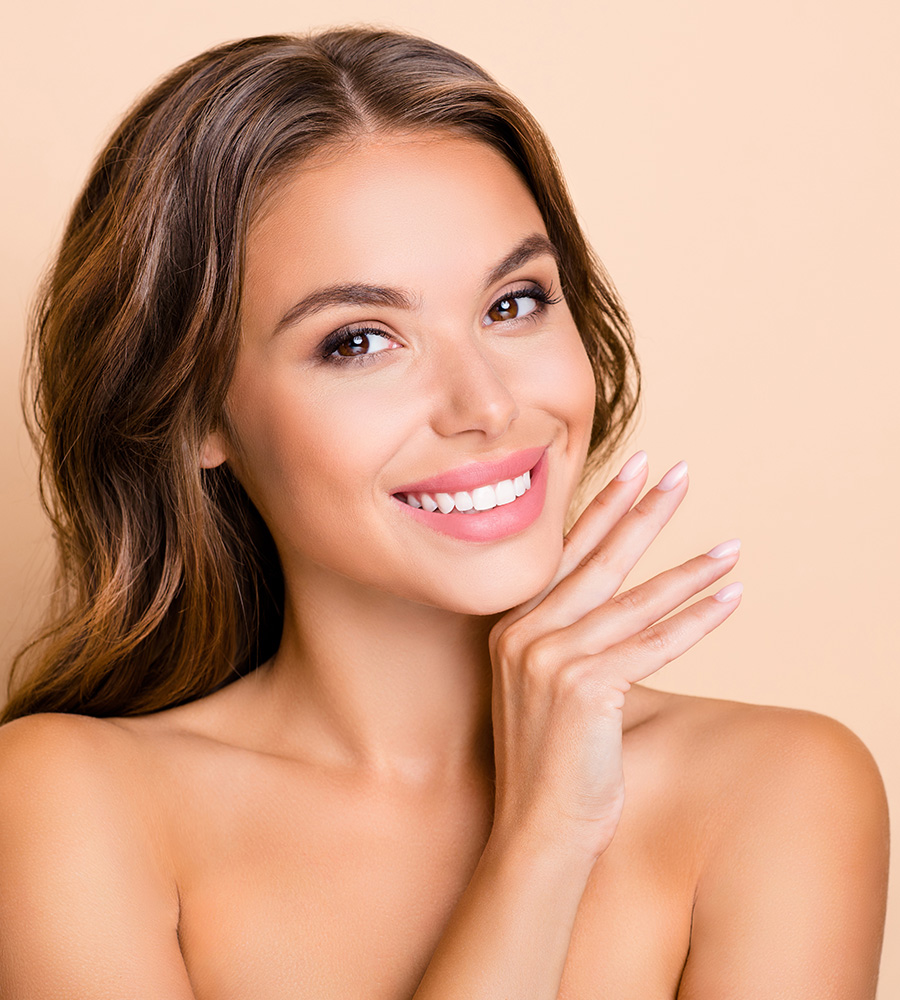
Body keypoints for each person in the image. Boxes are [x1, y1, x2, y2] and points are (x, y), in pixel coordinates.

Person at [0, 27, 888, 999]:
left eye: (514, 303)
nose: (487, 406)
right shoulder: (64, 804)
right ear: (199, 414)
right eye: (359, 340)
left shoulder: (779, 791)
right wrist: (544, 838)